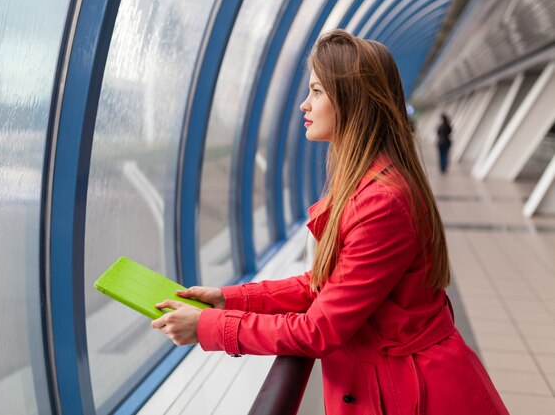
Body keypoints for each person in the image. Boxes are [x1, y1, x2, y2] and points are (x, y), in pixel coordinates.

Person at [151, 30, 509, 415]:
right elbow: (328, 284)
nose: (304, 105)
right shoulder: (366, 181)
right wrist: (227, 299)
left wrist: (208, 328)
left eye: (317, 92)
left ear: (354, 101)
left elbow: (319, 329)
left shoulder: (382, 202)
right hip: (399, 384)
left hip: (417, 395)